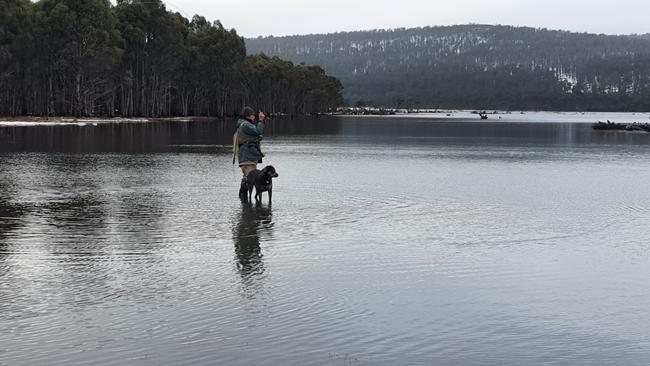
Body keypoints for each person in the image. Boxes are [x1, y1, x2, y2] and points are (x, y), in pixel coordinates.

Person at [234, 106, 267, 199]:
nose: (254, 117)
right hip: (247, 157)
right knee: (249, 178)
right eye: (253, 115)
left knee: (248, 177)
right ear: (248, 116)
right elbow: (258, 130)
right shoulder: (245, 125)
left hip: (248, 156)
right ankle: (244, 199)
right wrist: (261, 120)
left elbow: (255, 134)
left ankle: (244, 202)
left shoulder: (245, 124)